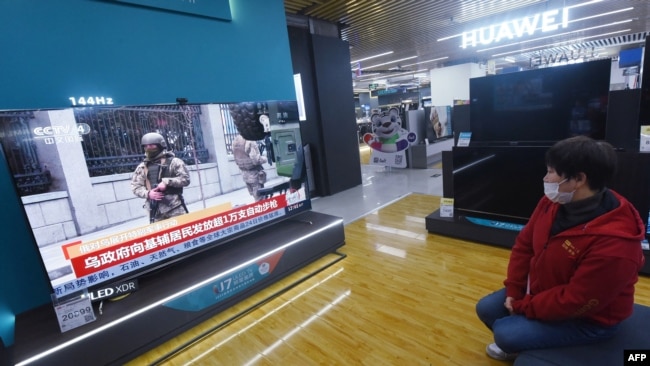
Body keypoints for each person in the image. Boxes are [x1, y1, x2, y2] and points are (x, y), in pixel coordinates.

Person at [475, 135, 646, 361]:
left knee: (506, 334)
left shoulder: (616, 245)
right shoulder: (555, 201)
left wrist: (524, 306)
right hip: (544, 291)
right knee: (487, 309)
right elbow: (524, 246)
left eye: (551, 172)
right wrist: (515, 291)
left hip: (590, 319)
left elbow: (576, 299)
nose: (546, 178)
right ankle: (531, 340)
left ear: (578, 179)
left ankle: (537, 346)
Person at [131, 132, 190, 223]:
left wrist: (167, 182)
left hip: (175, 208)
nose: (148, 148)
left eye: (151, 146)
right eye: (146, 146)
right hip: (154, 211)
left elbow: (185, 179)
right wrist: (148, 193)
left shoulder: (174, 162)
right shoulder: (142, 167)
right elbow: (136, 187)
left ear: (160, 146)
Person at [232, 134, 267, 201]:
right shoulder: (249, 141)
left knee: (254, 195)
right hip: (254, 173)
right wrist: (265, 158)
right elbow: (256, 160)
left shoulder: (235, 141)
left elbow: (236, 158)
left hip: (244, 173)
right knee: (259, 198)